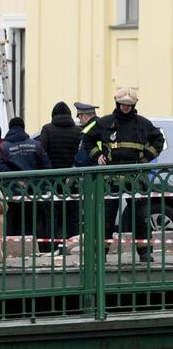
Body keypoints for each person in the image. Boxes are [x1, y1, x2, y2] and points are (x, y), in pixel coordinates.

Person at [81, 86, 165, 261]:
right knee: (106, 217)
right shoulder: (104, 123)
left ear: (134, 104)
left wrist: (146, 157)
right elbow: (87, 139)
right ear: (116, 102)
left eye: (129, 104)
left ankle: (145, 253)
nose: (125, 107)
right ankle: (100, 254)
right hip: (110, 176)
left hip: (136, 175)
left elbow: (159, 140)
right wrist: (97, 156)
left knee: (140, 216)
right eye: (122, 104)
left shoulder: (143, 124)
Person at [38, 101, 84, 246]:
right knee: (73, 216)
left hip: (52, 180)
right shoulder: (78, 131)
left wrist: (48, 169)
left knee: (52, 216)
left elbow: (41, 152)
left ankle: (52, 248)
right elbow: (82, 154)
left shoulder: (47, 129)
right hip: (72, 180)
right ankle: (75, 247)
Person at [0, 116, 51, 237]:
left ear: (10, 129)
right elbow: (46, 167)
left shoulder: (3, 147)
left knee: (13, 221)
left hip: (12, 191)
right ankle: (37, 249)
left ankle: (12, 251)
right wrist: (35, 182)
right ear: (23, 128)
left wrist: (15, 179)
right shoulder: (36, 145)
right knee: (35, 221)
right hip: (34, 191)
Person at [73, 101, 98, 167]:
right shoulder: (102, 124)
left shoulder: (87, 131)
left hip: (91, 171)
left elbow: (82, 159)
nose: (80, 121)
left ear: (84, 116)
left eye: (80, 117)